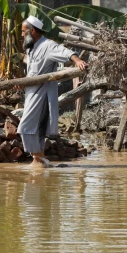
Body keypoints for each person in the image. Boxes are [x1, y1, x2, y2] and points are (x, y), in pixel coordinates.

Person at [17, 16, 88, 167]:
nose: (22, 34)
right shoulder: (31, 47)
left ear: (33, 30)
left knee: (25, 127)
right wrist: (22, 83)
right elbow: (32, 74)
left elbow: (65, 52)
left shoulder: (48, 45)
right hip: (31, 94)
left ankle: (38, 160)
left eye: (23, 31)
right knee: (38, 128)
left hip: (42, 95)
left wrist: (78, 61)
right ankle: (40, 161)